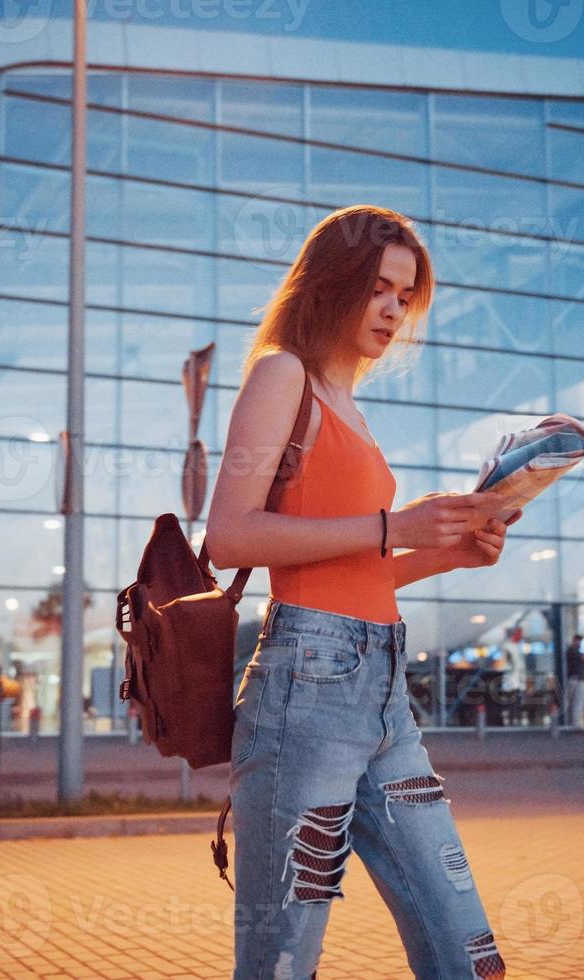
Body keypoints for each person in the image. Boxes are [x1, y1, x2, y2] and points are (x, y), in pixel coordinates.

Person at [206, 206, 517, 980]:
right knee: (283, 963)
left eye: (404, 297)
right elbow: (228, 537)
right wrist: (392, 525)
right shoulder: (285, 376)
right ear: (334, 283)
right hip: (302, 696)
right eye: (379, 288)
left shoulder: (353, 409)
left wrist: (446, 555)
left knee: (467, 953)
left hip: (383, 694)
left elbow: (353, 575)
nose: (391, 310)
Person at [563, 633, 584, 728]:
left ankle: (571, 723)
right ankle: (576, 725)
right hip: (576, 679)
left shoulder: (572, 651)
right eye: (578, 640)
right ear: (574, 640)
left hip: (573, 679)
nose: (579, 642)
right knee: (577, 702)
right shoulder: (573, 650)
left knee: (572, 702)